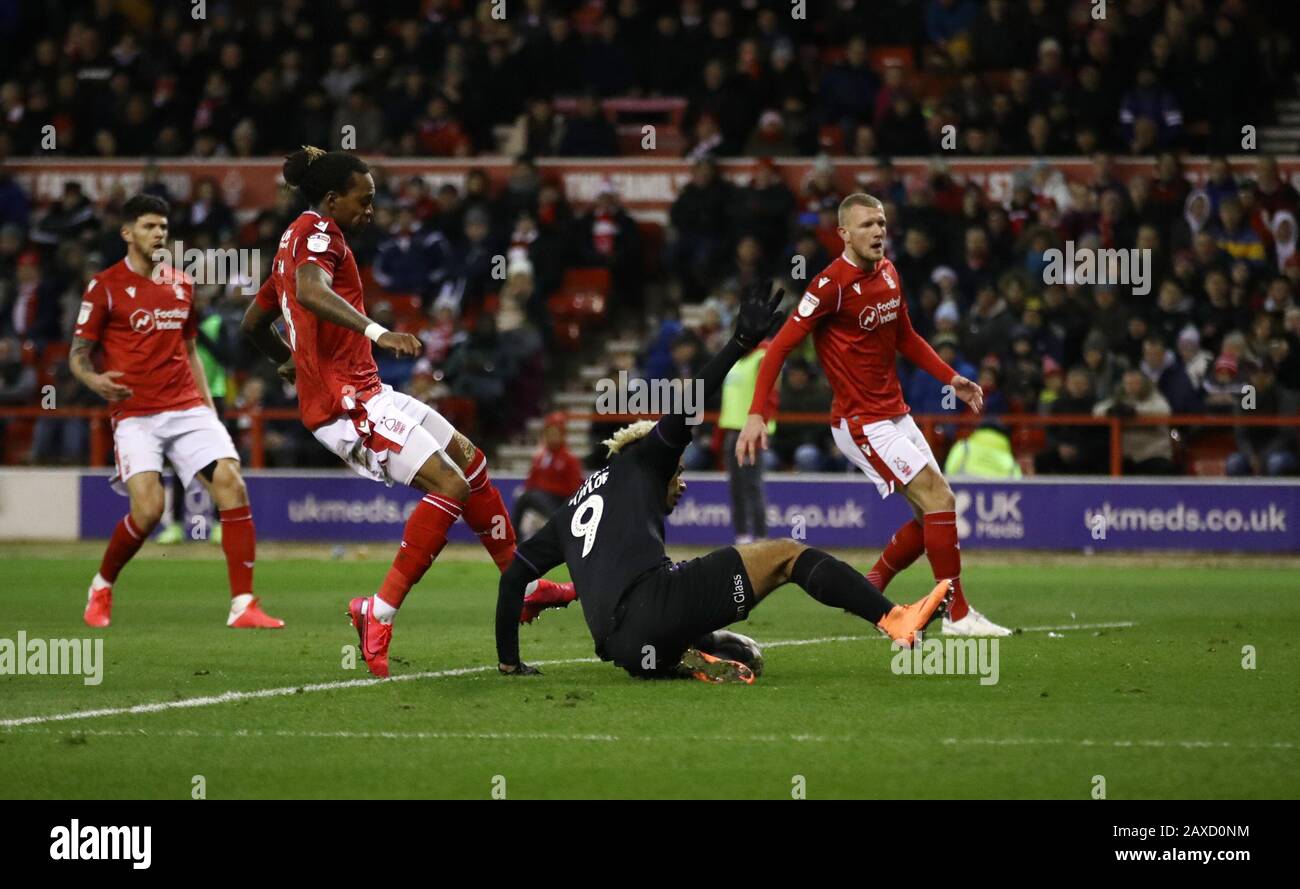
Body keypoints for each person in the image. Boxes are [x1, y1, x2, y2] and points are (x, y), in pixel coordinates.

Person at [498, 282, 953, 682]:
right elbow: (692, 396)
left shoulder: (573, 508)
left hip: (622, 649)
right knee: (786, 555)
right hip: (655, 606)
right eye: (678, 474)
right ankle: (894, 617)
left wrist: (511, 662)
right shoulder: (645, 460)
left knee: (710, 627)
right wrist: (738, 342)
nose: (682, 485)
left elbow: (513, 577)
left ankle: (688, 652)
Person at [240, 147, 571, 677]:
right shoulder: (319, 235)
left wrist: (291, 364)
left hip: (368, 392)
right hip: (346, 404)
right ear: (331, 199)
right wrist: (376, 330)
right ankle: (379, 610)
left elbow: (253, 324)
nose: (371, 209)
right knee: (451, 485)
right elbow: (308, 290)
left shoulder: (292, 243)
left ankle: (524, 586)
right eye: (363, 200)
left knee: (471, 461)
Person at [735, 193, 1011, 637]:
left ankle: (872, 585)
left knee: (934, 514)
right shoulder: (829, 286)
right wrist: (755, 414)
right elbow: (780, 348)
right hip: (860, 422)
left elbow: (906, 335)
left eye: (882, 222)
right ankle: (958, 617)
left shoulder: (889, 273)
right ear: (844, 233)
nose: (878, 231)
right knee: (939, 501)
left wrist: (949, 377)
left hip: (894, 412)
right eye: (866, 225)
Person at [70, 194, 282, 629]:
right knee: (149, 510)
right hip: (135, 414)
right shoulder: (104, 286)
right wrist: (95, 381)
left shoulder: (181, 284)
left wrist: (208, 409)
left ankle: (244, 604)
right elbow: (78, 354)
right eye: (149, 226)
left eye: (163, 227)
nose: (159, 233)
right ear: (127, 233)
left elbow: (188, 350)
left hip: (186, 407)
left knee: (231, 484)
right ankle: (102, 585)